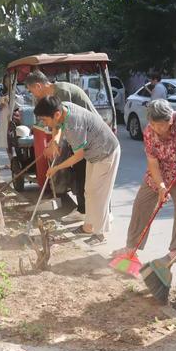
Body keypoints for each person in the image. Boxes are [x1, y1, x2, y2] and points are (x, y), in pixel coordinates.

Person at [112, 100, 176, 261]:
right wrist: (161, 186)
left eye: (161, 125)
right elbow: (152, 163)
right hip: (159, 172)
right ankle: (131, 247)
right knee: (140, 204)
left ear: (170, 119)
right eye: (153, 124)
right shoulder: (149, 132)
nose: (157, 129)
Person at [34, 96, 120, 245]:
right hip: (94, 153)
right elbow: (57, 126)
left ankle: (101, 235)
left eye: (45, 120)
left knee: (99, 195)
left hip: (107, 152)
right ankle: (88, 227)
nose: (45, 124)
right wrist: (54, 141)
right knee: (89, 191)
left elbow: (78, 156)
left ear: (56, 114)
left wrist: (56, 168)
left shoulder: (74, 125)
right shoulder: (63, 106)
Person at [25, 70, 97, 222]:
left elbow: (60, 121)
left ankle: (91, 214)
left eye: (32, 91)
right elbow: (57, 125)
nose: (33, 95)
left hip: (90, 135)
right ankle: (84, 210)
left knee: (87, 176)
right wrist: (53, 143)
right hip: (80, 135)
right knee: (80, 174)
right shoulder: (54, 93)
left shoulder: (62, 92)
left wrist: (54, 143)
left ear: (38, 86)